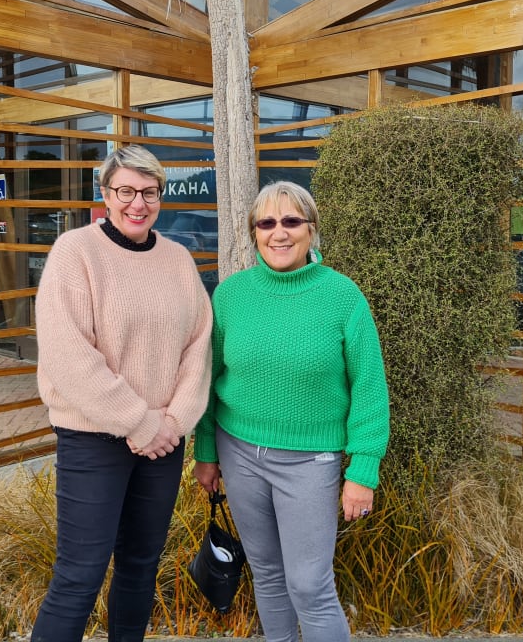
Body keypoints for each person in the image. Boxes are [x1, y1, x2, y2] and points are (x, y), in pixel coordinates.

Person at [192, 181, 390, 642]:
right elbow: (207, 377)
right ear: (254, 233)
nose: (278, 233)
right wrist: (205, 449)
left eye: (291, 221)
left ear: (311, 230)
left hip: (310, 463)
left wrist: (363, 470)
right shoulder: (232, 295)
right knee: (267, 573)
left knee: (310, 584)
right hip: (238, 454)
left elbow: (369, 387)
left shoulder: (342, 296)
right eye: (267, 223)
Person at [30, 144, 212, 642]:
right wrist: (140, 422)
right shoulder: (76, 251)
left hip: (164, 442)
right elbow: (68, 355)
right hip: (94, 440)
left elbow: (199, 343)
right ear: (106, 194)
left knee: (139, 565)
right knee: (79, 575)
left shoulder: (178, 260)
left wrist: (174, 422)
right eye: (126, 191)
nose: (138, 203)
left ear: (160, 196)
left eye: (149, 192)